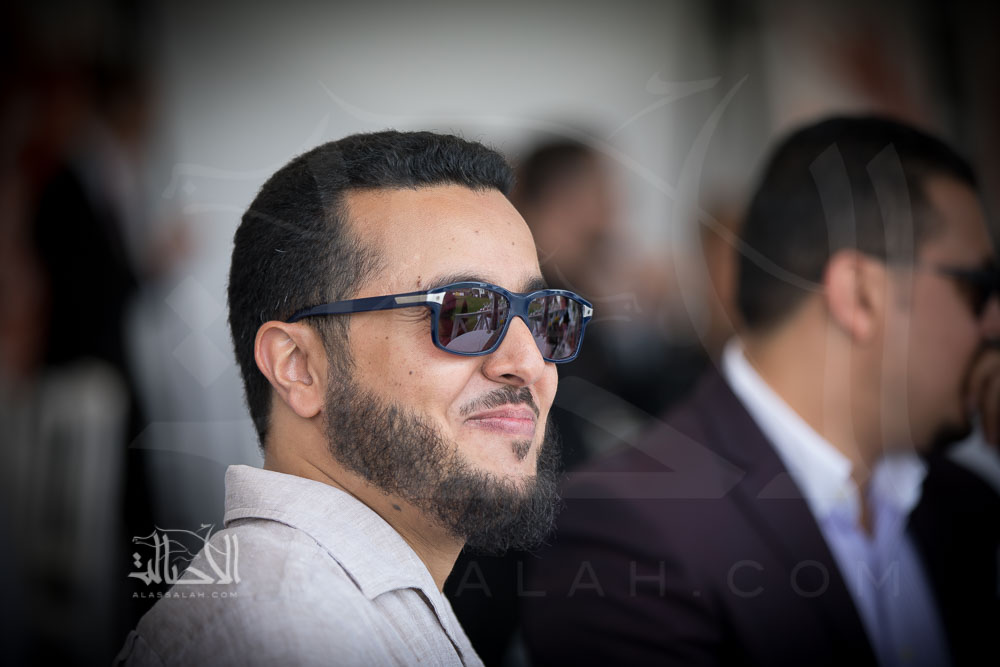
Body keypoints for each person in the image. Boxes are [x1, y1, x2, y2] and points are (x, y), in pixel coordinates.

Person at [521, 116, 1000, 667]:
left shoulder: (968, 507)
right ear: (861, 295)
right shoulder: (623, 536)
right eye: (978, 289)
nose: (994, 324)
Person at [114, 130, 593, 666]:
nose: (530, 364)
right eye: (465, 312)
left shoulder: (346, 602)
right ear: (299, 366)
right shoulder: (286, 634)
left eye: (545, 316)